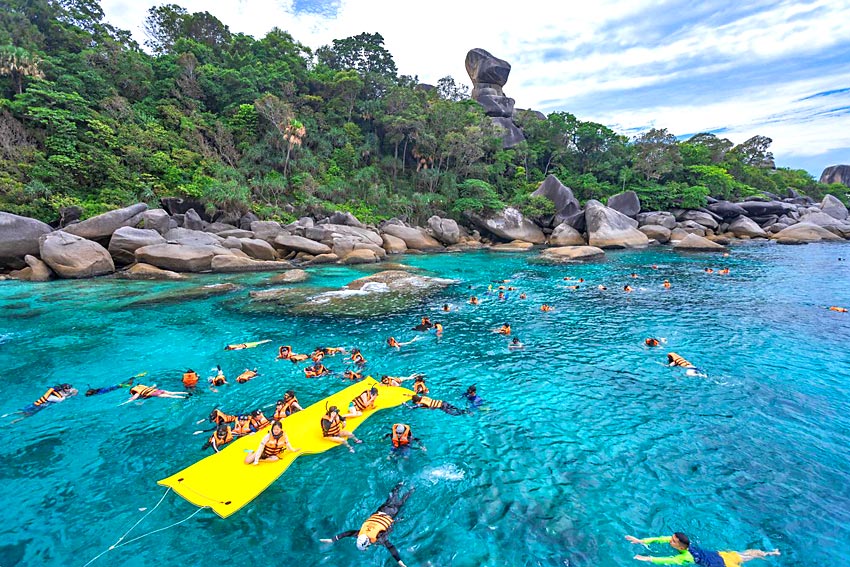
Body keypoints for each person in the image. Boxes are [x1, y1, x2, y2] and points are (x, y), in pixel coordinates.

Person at [320, 482, 414, 567]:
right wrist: (332, 539)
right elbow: (348, 533)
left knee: (402, 501)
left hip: (391, 513)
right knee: (392, 497)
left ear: (367, 544)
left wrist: (399, 562)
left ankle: (412, 489)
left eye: (367, 547)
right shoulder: (359, 533)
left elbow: (391, 548)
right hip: (380, 510)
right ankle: (400, 483)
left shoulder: (380, 538)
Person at [626, 532, 780, 566]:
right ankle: (771, 552)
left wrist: (648, 558)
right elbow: (659, 539)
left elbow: (668, 560)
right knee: (747, 555)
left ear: (680, 545)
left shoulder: (685, 557)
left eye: (672, 540)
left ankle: (770, 553)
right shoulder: (685, 544)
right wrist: (640, 541)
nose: (669, 541)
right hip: (723, 555)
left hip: (724, 565)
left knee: (746, 558)